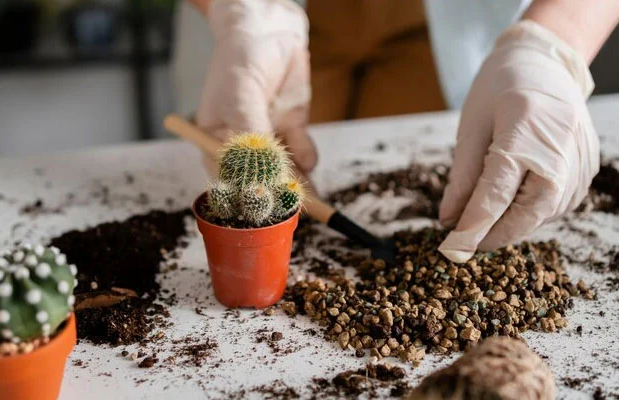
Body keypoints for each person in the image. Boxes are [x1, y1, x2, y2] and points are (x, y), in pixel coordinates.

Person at [180, 0, 619, 262]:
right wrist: (243, 12)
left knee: (432, 153)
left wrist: (556, 39)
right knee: (271, 142)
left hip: (440, 18)